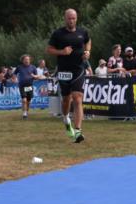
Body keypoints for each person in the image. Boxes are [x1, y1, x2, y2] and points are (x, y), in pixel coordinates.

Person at [46, 8, 91, 143]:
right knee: (66, 100)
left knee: (77, 98)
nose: (71, 20)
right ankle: (66, 118)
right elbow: (49, 49)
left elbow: (88, 41)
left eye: (74, 18)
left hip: (78, 69)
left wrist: (87, 52)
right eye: (69, 18)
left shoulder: (82, 32)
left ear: (76, 18)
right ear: (65, 19)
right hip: (64, 71)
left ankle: (78, 131)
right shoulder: (58, 34)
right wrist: (62, 51)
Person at [15, 54, 45, 119]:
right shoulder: (19, 67)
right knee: (24, 100)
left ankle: (26, 111)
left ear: (30, 60)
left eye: (28, 59)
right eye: (25, 59)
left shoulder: (33, 67)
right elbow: (14, 74)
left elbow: (37, 76)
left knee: (28, 101)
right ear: (22, 60)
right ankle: (24, 114)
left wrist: (34, 76)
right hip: (22, 85)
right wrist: (15, 79)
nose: (27, 61)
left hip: (29, 86)